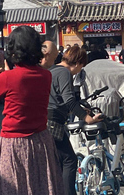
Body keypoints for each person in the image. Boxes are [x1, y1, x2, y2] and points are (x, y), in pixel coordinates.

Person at [0, 26, 63, 195]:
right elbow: (24, 81)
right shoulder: (46, 75)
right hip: (41, 140)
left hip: (14, 143)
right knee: (42, 186)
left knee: (16, 187)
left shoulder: (6, 78)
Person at [46, 44, 102, 195]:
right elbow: (69, 99)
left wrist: (80, 110)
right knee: (69, 160)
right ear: (77, 63)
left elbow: (60, 100)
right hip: (54, 122)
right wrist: (88, 118)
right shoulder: (65, 73)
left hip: (46, 119)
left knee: (57, 162)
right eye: (81, 67)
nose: (79, 71)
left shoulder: (52, 70)